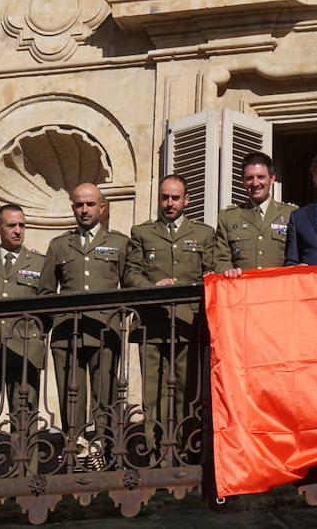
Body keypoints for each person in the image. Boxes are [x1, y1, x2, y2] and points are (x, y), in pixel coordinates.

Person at [125, 174, 215, 460]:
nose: (169, 203)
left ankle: (182, 450)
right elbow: (130, 273)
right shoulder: (142, 233)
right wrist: (152, 287)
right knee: (152, 390)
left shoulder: (203, 234)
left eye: (175, 197)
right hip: (152, 322)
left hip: (188, 323)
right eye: (165, 197)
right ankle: (152, 451)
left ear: (186, 200)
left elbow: (210, 274)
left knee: (185, 389)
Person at [42, 182, 129, 466]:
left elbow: (129, 285)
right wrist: (58, 318)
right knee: (71, 393)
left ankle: (101, 449)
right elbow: (45, 291)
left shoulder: (118, 243)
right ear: (73, 208)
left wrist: (116, 317)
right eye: (79, 205)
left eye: (90, 204)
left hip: (104, 330)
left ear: (102, 207)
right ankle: (74, 448)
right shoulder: (59, 245)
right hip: (67, 332)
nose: (84, 210)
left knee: (104, 393)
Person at [0, 204, 50, 475]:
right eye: (12, 225)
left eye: (21, 225)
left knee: (24, 412)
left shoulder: (39, 262)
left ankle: (25, 475)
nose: (18, 231)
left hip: (25, 349)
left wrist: (35, 338)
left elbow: (46, 309)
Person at [213, 151, 297, 276]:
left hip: (279, 291)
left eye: (261, 177)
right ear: (243, 180)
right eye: (249, 178)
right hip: (242, 291)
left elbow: (297, 257)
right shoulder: (228, 217)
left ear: (272, 178)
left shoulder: (291, 214)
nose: (255, 183)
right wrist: (228, 271)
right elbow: (220, 260)